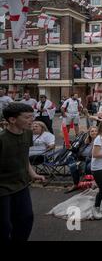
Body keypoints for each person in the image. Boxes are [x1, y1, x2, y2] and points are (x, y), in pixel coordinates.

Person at [0, 103, 45, 241]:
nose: (32, 120)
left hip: (21, 184)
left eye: (33, 116)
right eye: (27, 117)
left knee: (26, 219)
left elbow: (23, 156)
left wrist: (32, 174)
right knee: (4, 226)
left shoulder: (28, 133)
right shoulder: (2, 139)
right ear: (12, 120)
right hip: (2, 188)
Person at [66, 126, 97, 193]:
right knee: (73, 166)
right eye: (92, 131)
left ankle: (89, 184)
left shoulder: (99, 141)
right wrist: (70, 147)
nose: (94, 132)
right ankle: (76, 184)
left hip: (93, 159)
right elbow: (76, 150)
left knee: (89, 167)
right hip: (82, 159)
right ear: (89, 133)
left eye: (95, 131)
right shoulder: (85, 140)